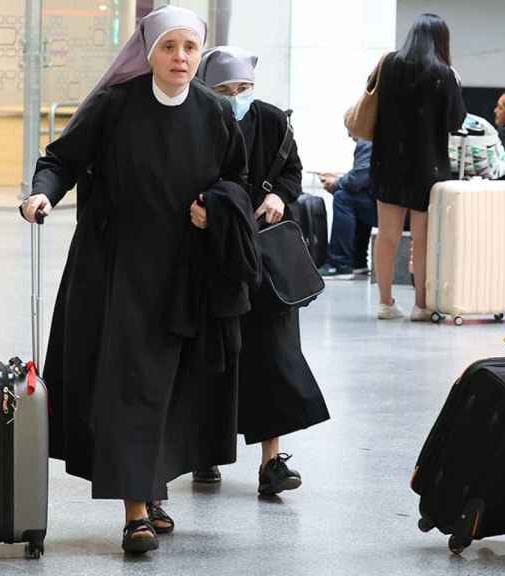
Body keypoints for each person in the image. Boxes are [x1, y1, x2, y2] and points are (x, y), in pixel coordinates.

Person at [19, 6, 257, 554]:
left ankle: (150, 493)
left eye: (189, 49)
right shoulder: (114, 106)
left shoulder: (215, 113)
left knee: (172, 387)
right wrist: (42, 193)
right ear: (149, 51)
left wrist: (217, 209)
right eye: (169, 47)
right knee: (132, 387)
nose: (179, 58)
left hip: (187, 273)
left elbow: (237, 179)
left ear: (200, 55)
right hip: (119, 272)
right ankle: (134, 515)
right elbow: (62, 159)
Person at [191, 46, 330, 492]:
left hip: (262, 257)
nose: (237, 97)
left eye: (244, 88)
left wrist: (280, 196)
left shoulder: (271, 119)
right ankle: (202, 452)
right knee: (211, 354)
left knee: (272, 353)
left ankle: (272, 461)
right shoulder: (195, 120)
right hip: (210, 253)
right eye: (226, 90)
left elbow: (292, 169)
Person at [370, 13, 466, 320]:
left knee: (387, 236)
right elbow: (455, 121)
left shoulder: (388, 64)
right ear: (441, 40)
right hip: (428, 168)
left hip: (387, 163)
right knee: (423, 239)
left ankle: (385, 302)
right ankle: (421, 306)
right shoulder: (444, 73)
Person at [319, 133, 376, 278]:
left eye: (349, 128)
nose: (349, 135)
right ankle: (358, 262)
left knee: (343, 197)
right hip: (408, 210)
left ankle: (340, 264)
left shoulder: (367, 140)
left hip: (390, 212)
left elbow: (358, 179)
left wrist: (335, 183)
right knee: (358, 197)